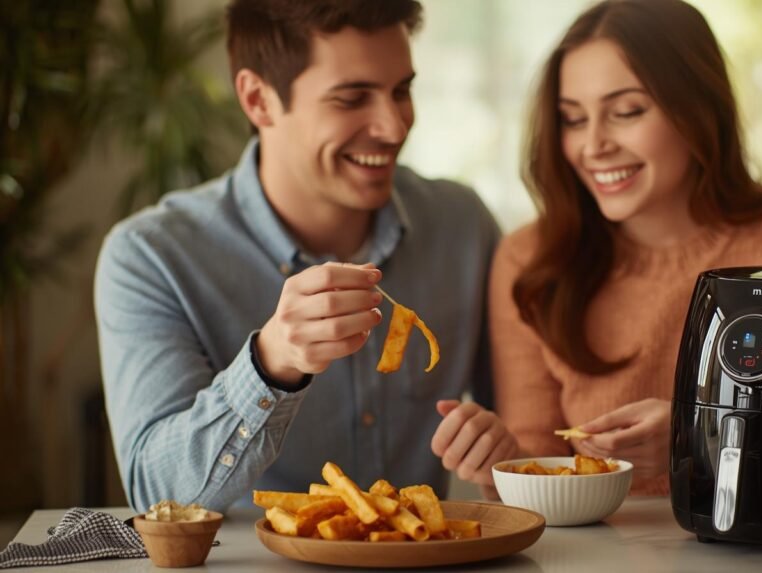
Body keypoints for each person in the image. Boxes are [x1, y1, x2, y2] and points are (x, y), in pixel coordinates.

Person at [483, 0, 762, 495]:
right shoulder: (531, 261)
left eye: (626, 111)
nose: (593, 145)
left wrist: (698, 436)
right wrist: (492, 460)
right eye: (572, 119)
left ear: (697, 107)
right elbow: (534, 464)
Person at [95, 0, 506, 513]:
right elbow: (156, 495)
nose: (395, 127)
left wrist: (503, 460)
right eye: (352, 98)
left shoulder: (463, 227)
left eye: (401, 90)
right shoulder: (150, 258)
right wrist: (271, 365)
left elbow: (523, 438)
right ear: (257, 99)